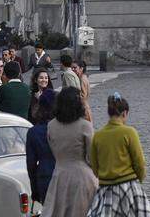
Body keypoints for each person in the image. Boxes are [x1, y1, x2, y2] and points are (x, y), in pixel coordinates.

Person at [87, 93, 150, 217]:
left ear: (109, 113)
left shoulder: (98, 135)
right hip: (128, 186)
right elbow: (139, 162)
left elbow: (94, 167)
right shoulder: (129, 132)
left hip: (106, 189)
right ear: (125, 113)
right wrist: (139, 179)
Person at [42, 87, 98, 217]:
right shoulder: (85, 126)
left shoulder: (51, 125)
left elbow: (53, 149)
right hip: (82, 177)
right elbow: (92, 157)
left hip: (59, 176)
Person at [26, 92, 57, 206]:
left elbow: (31, 164)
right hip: (63, 175)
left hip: (44, 176)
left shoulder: (34, 132)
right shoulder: (64, 129)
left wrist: (34, 190)